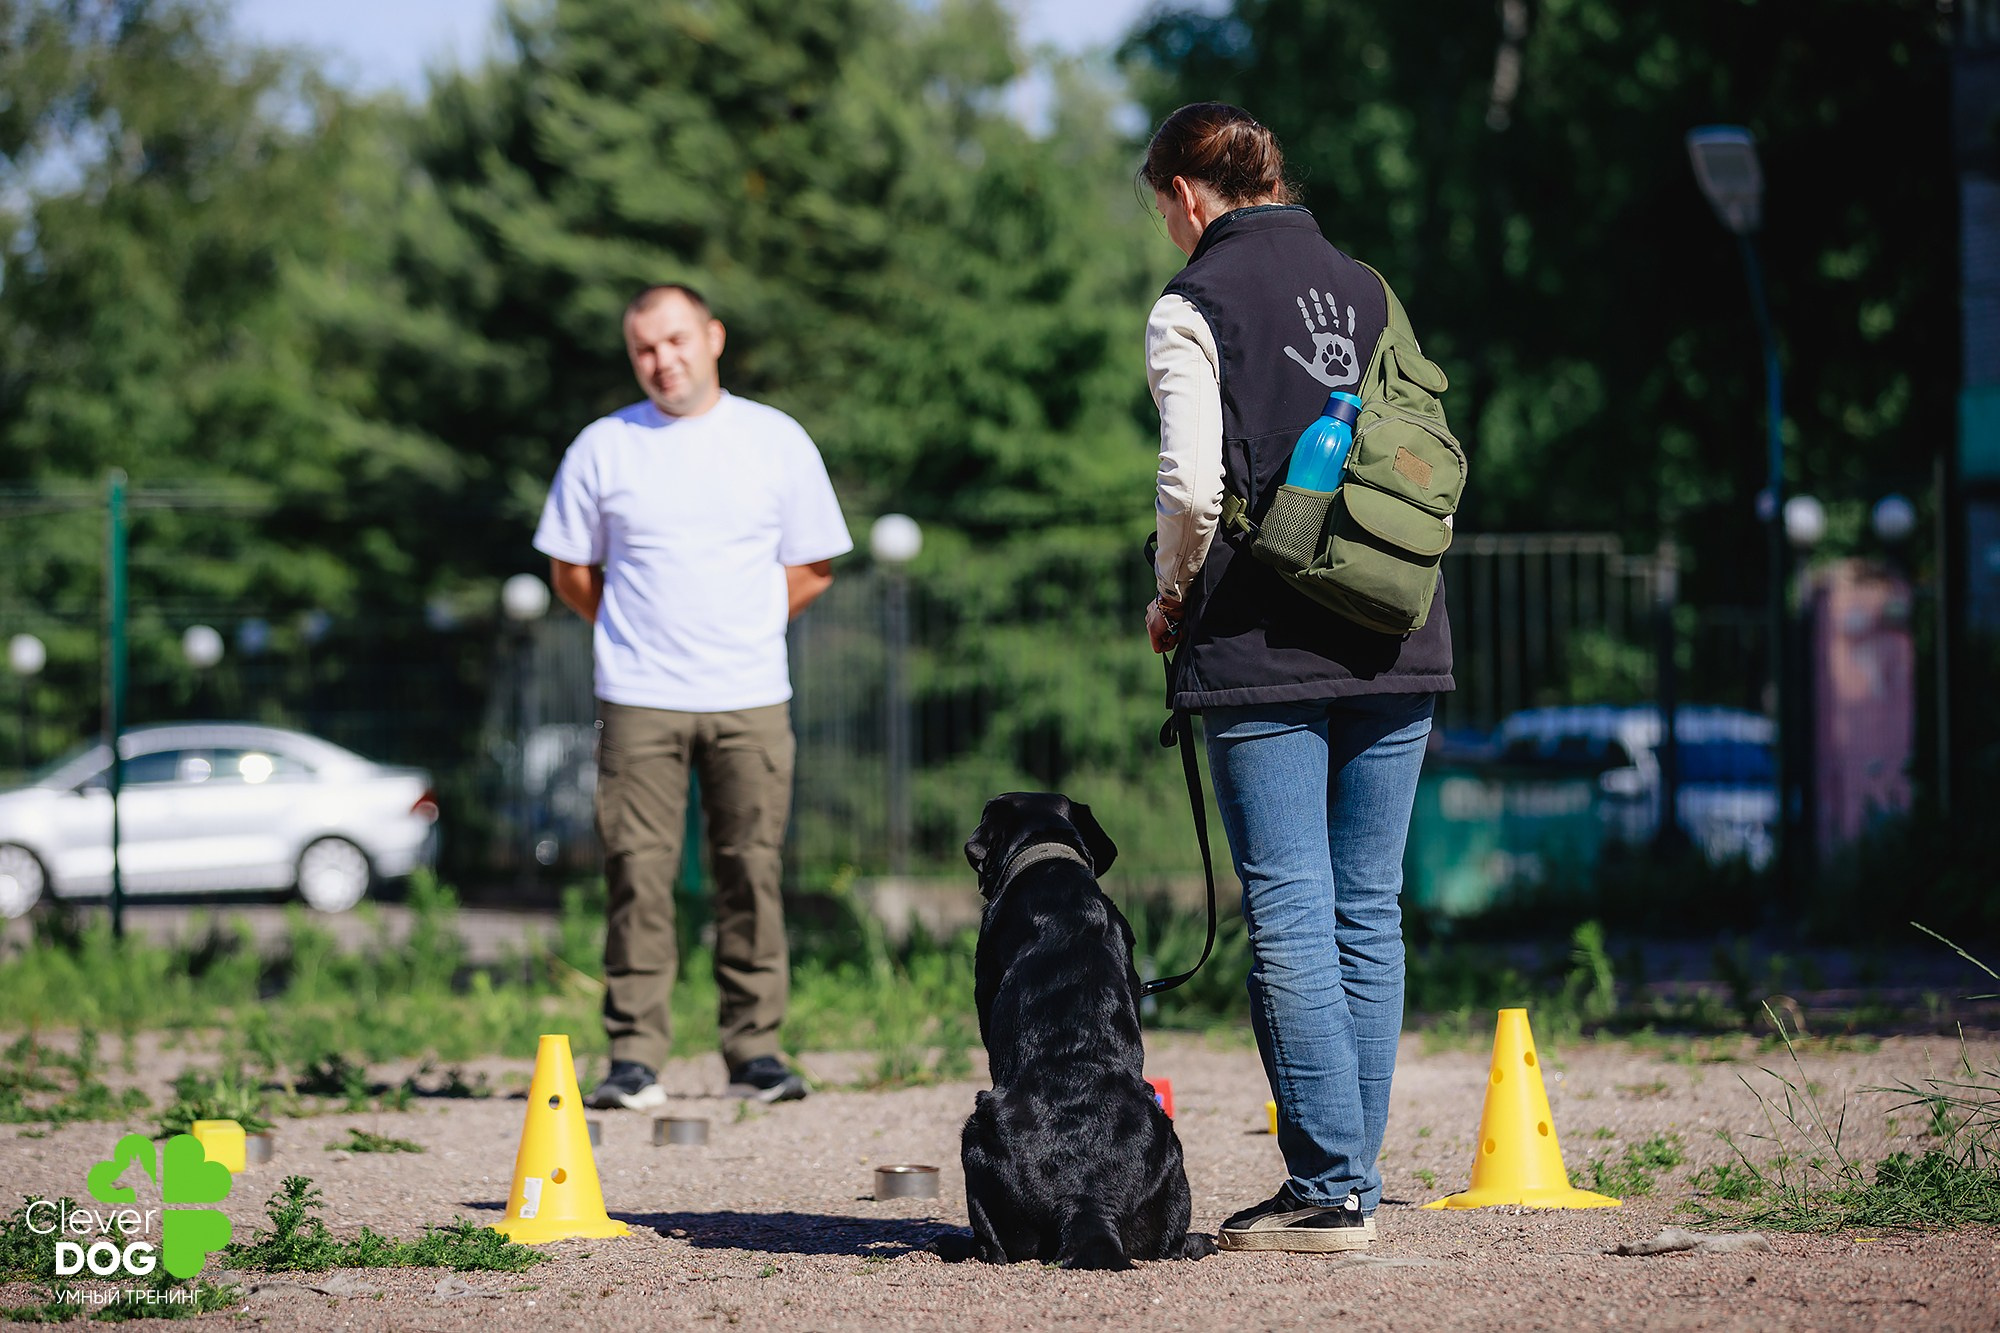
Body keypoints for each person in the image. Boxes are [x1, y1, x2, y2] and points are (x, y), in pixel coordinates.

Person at [1139, 104, 1453, 1251]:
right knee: (1366, 907)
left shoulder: (1190, 304)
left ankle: (1325, 1189)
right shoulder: (1368, 287)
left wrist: (1169, 595)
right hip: (1394, 627)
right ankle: (1348, 1180)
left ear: (1184, 194)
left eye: (1161, 209)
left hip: (1261, 641)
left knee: (1288, 907)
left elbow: (1190, 486)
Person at [534, 283, 852, 1109]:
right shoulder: (603, 446)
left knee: (750, 869)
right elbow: (570, 569)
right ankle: (634, 1057)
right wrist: (634, 630)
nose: (661, 359)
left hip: (751, 693)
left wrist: (743, 627)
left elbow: (815, 565)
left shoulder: (775, 439)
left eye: (675, 339)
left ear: (713, 337)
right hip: (638, 695)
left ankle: (756, 1051)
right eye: (644, 347)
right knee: (636, 874)